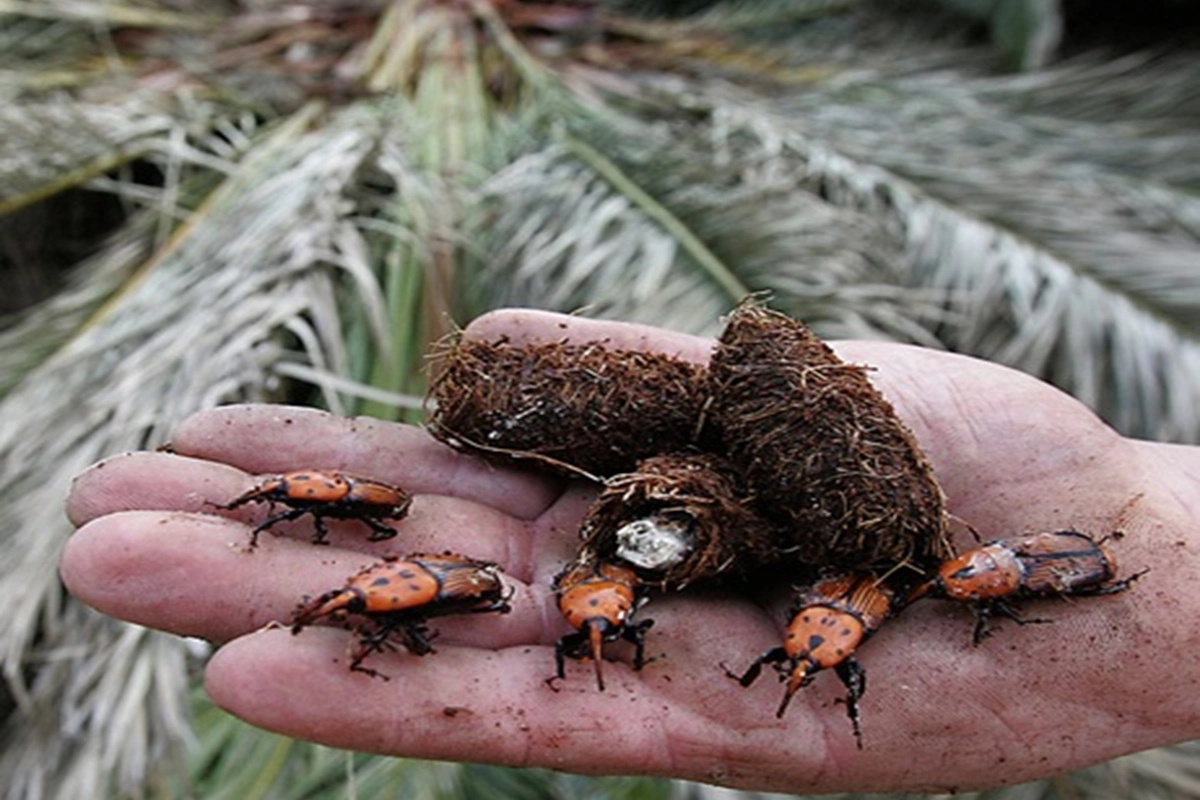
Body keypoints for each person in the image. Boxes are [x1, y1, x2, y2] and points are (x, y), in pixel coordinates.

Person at [60, 308, 1200, 794]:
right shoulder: (629, 575)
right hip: (663, 532)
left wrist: (1148, 527)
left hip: (738, 544)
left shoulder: (859, 575)